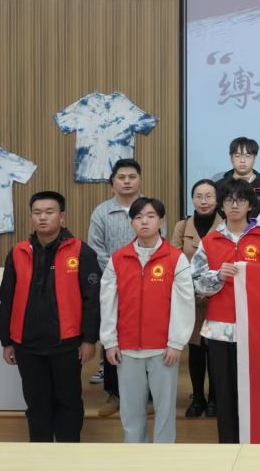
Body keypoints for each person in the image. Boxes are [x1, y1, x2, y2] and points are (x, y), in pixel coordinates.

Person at [0, 191, 101, 442]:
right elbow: (7, 299)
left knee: (68, 401)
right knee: (36, 404)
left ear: (62, 217)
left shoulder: (81, 251)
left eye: (49, 212)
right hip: (27, 344)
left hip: (67, 343)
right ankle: (39, 454)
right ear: (31, 218)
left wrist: (89, 339)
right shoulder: (18, 252)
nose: (42, 217)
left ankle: (68, 455)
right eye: (37, 213)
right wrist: (7, 341)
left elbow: (93, 300)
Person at [192, 179, 260, 443]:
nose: (234, 205)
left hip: (256, 330)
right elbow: (194, 283)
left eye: (240, 200)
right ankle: (228, 447)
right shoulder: (209, 241)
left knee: (257, 390)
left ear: (250, 205)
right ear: (221, 205)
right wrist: (217, 276)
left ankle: (256, 445)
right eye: (229, 200)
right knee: (224, 392)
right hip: (219, 330)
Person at [100, 197, 194, 444]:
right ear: (131, 222)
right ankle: (135, 456)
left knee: (165, 411)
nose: (144, 221)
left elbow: (184, 304)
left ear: (161, 221)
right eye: (138, 217)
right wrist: (110, 341)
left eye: (151, 216)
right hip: (127, 348)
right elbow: (107, 303)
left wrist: (176, 342)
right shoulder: (118, 259)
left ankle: (163, 459)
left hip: (163, 349)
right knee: (131, 412)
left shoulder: (175, 258)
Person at [87, 158, 148, 415]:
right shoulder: (102, 212)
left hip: (147, 284)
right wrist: (119, 272)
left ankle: (147, 395)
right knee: (112, 337)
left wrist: (139, 272)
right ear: (112, 182)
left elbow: (160, 241)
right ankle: (114, 394)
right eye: (121, 177)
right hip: (112, 284)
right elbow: (95, 248)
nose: (127, 181)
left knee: (146, 337)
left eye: (132, 177)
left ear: (139, 180)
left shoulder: (150, 208)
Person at [170, 179, 222, 418]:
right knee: (196, 350)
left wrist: (209, 289)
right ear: (192, 199)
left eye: (209, 196)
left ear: (217, 199)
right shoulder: (182, 226)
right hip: (190, 299)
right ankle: (198, 397)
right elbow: (174, 262)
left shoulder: (225, 227)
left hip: (219, 298)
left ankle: (215, 398)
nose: (204, 201)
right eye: (199, 196)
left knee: (215, 351)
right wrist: (193, 290)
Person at [213, 137, 260, 217]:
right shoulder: (218, 187)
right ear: (231, 158)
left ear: (255, 158)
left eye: (247, 156)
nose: (242, 160)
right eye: (237, 156)